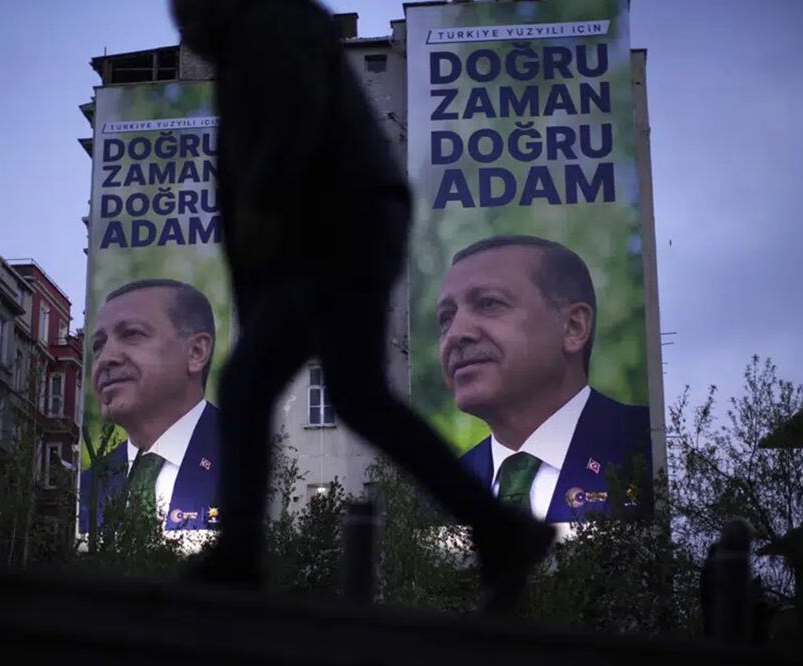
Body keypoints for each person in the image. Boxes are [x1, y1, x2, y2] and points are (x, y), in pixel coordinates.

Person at [169, 0, 553, 609]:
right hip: (338, 228)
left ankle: (240, 558)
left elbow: (295, 116)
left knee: (264, 388)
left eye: (186, 6)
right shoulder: (240, 57)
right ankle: (498, 530)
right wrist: (254, 286)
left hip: (342, 224)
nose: (180, 19)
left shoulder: (268, 21)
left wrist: (264, 204)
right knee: (347, 395)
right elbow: (239, 212)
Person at [437, 235, 653, 523]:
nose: (455, 333)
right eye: (445, 318)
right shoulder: (436, 496)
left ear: (574, 327)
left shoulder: (657, 451)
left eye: (489, 304)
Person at [80, 279, 220, 533]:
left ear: (196, 352)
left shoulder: (246, 458)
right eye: (98, 346)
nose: (106, 359)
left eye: (132, 334)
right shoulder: (89, 486)